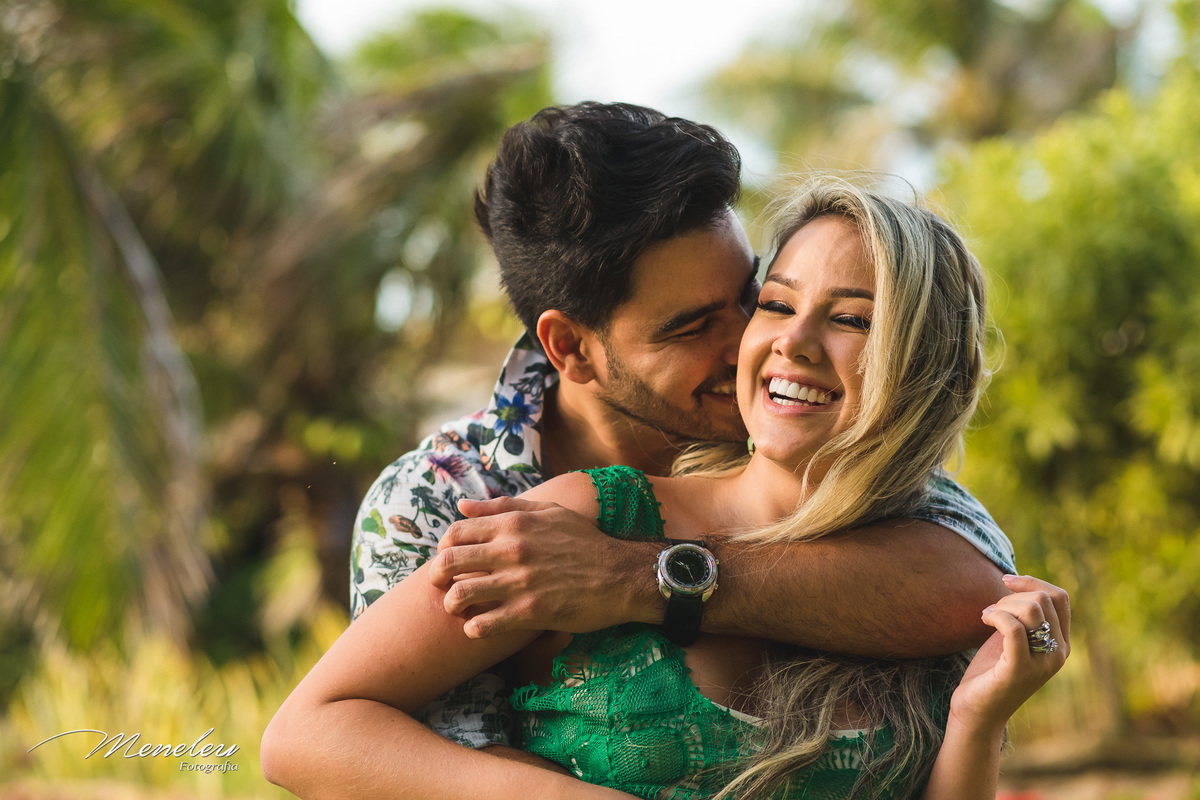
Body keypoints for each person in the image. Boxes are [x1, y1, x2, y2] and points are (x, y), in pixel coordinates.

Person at [261, 177, 1070, 799]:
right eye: (778, 305)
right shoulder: (580, 516)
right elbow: (307, 733)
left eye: (852, 319)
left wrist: (974, 719)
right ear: (570, 348)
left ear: (926, 365)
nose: (786, 342)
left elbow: (975, 586)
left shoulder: (935, 548)